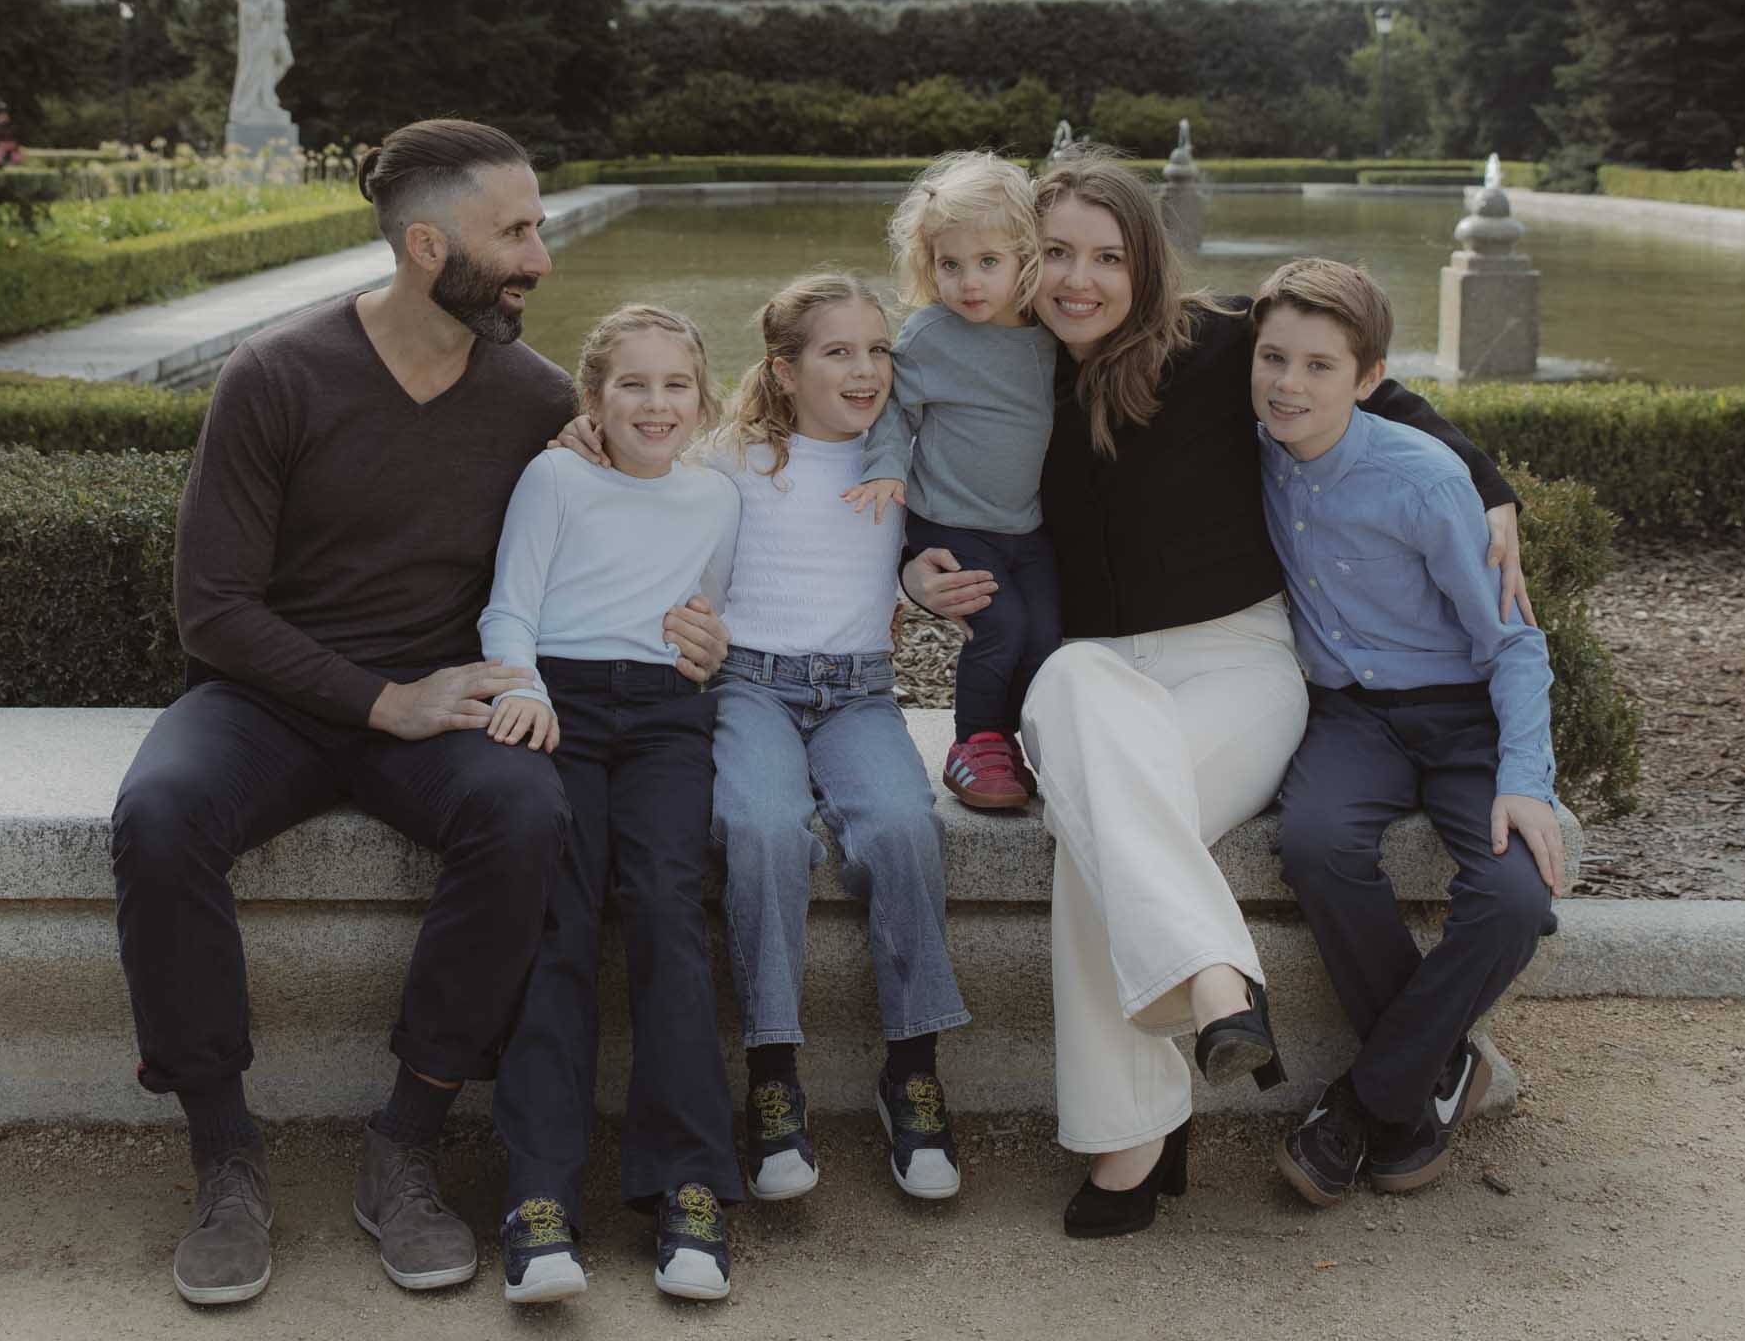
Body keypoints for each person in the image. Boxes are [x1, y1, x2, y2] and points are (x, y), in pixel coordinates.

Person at [107, 119, 728, 1307]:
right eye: (519, 232)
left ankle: (406, 1139)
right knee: (160, 813)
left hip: (446, 700)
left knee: (526, 811)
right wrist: (376, 699)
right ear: (429, 245)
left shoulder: (540, 398)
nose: (543, 257)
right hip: (269, 698)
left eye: (540, 227)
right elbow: (212, 609)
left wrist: (694, 627)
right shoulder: (274, 376)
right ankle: (226, 1151)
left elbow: (639, 517)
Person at [903, 154, 1527, 1239]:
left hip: (1238, 662)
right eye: (1056, 253)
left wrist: (1490, 487)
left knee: (1105, 824)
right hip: (1092, 671)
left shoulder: (1221, 342)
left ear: (1146, 261)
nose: (1080, 280)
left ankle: (1131, 1151)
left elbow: (1380, 385)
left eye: (1109, 255)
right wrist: (913, 567)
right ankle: (1215, 987)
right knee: (1085, 712)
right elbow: (890, 455)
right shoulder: (1004, 367)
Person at [552, 271, 973, 1206]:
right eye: (837, 353)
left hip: (861, 691)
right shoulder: (731, 460)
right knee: (761, 828)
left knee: (905, 826)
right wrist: (581, 438)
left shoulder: (899, 456)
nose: (864, 370)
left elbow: (909, 558)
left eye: (877, 350)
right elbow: (642, 486)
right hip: (751, 687)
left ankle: (912, 1066)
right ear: (783, 370)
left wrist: (914, 590)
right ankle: (774, 1074)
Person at [1249, 258, 1563, 1204]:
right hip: (1351, 718)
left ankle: (1363, 1099)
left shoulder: (1423, 481)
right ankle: (1436, 1068)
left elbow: (1513, 644)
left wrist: (1526, 779)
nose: (1289, 385)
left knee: (1513, 899)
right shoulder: (1251, 445)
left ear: (1368, 378)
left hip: (1464, 717)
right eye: (1272, 359)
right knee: (1313, 843)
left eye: (1319, 367)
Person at [482, 304, 745, 1307]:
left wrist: (711, 646)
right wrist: (523, 689)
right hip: (560, 706)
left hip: (668, 720)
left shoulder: (714, 498)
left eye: (676, 383)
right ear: (593, 400)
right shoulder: (556, 479)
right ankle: (537, 1195)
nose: (655, 401)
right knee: (559, 918)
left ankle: (687, 1183)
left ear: (702, 398)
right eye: (631, 383)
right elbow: (510, 601)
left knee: (670, 912)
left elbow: (711, 612)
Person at [852, 153, 1061, 811]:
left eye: (988, 263)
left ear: (1025, 256)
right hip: (950, 519)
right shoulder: (930, 335)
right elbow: (892, 411)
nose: (969, 283)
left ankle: (1026, 744)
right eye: (950, 265)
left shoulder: (1053, 335)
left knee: (1047, 632)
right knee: (997, 625)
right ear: (928, 263)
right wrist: (886, 466)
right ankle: (973, 743)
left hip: (1025, 524)